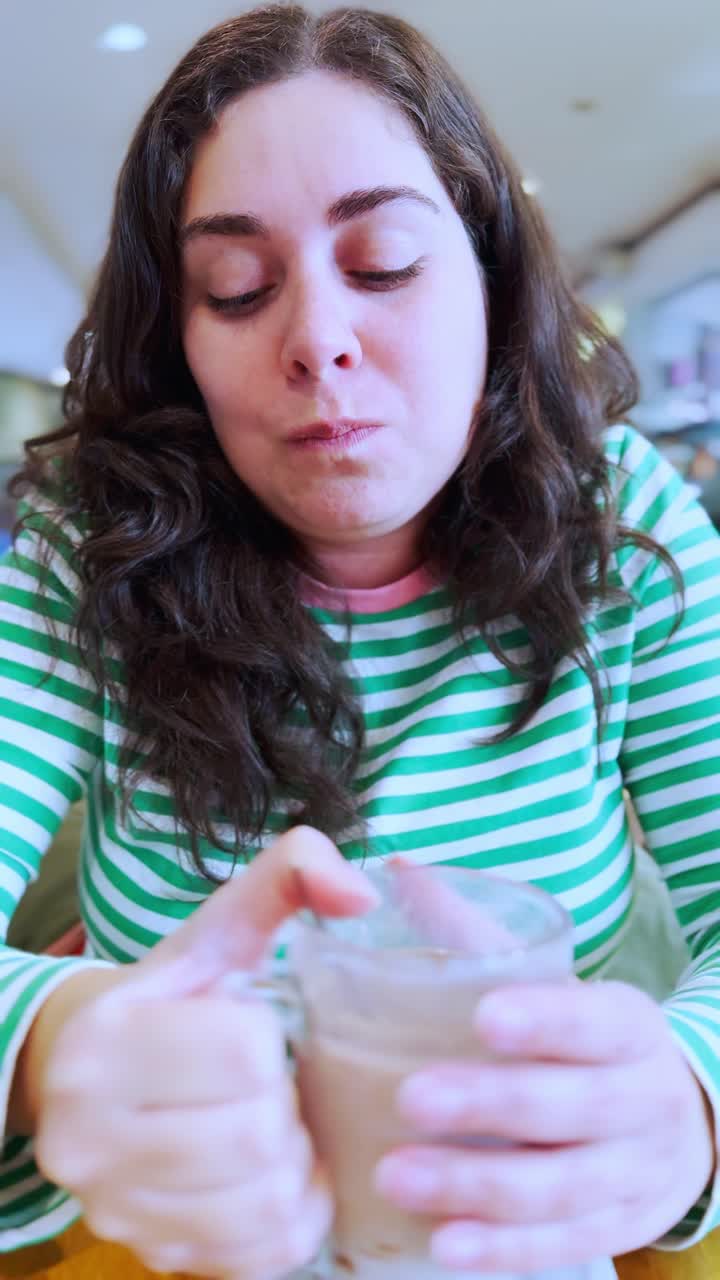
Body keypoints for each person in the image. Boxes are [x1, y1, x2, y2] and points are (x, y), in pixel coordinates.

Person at [0, 4, 718, 1277]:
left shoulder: (621, 519)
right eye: (236, 288)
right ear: (181, 343)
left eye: (384, 262)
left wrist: (689, 1100)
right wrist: (52, 1041)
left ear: (491, 284)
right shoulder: (84, 547)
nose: (318, 339)